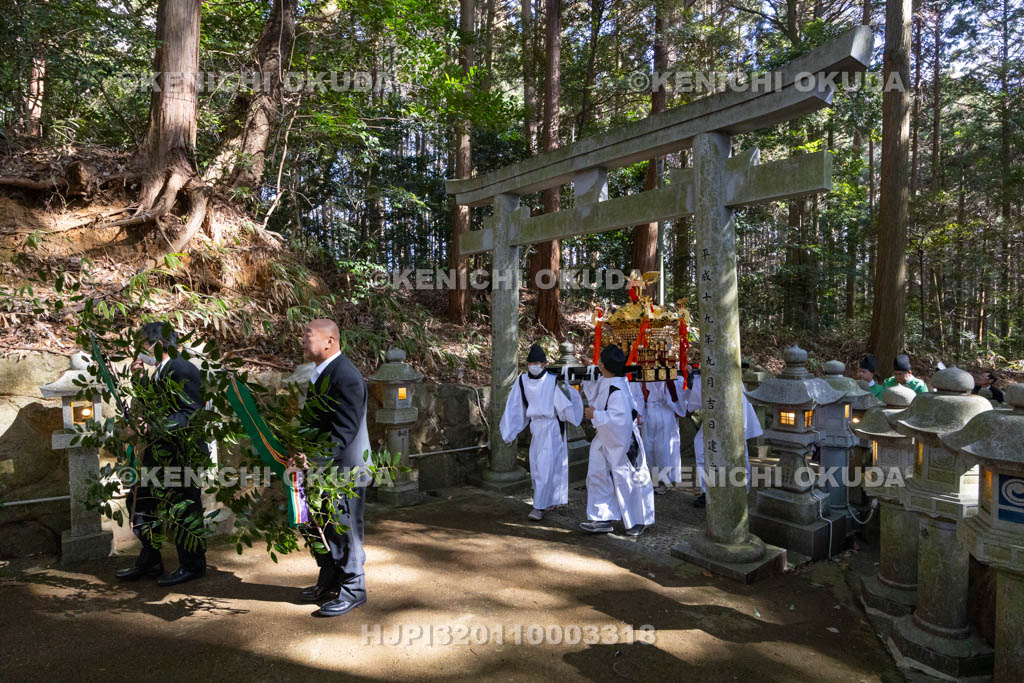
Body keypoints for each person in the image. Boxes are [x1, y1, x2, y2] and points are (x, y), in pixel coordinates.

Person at [116, 322, 208, 586]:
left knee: (184, 508)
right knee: (140, 501)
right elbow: (157, 404)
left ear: (157, 345)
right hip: (158, 451)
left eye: (144, 345)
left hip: (181, 452)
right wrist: (139, 379)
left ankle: (192, 565)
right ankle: (151, 558)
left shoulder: (183, 369)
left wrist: (152, 426)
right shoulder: (159, 371)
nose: (141, 350)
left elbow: (191, 414)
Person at [296, 319, 372, 617]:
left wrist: (312, 459)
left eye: (308, 335)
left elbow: (344, 431)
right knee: (321, 526)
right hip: (323, 467)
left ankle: (354, 589)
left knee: (345, 530)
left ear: (329, 341)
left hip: (345, 471)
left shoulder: (346, 376)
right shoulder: (323, 373)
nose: (302, 340)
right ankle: (329, 580)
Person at [499, 343, 583, 521]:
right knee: (538, 465)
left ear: (544, 363)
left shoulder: (552, 380)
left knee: (547, 465)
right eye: (531, 362)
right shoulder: (522, 381)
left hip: (552, 426)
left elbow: (564, 404)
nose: (533, 365)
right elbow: (515, 406)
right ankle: (551, 500)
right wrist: (509, 431)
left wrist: (570, 416)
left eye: (537, 362)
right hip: (536, 427)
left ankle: (539, 506)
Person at [579, 344, 655, 536]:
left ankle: (639, 520)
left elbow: (619, 419)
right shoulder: (612, 380)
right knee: (598, 475)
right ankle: (602, 517)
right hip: (606, 437)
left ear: (604, 366)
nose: (598, 364)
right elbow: (597, 392)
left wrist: (596, 414)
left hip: (623, 440)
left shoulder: (618, 389)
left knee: (629, 478)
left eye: (600, 361)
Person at [686, 370, 763, 509]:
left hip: (733, 420)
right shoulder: (703, 376)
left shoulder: (730, 376)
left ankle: (739, 490)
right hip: (713, 419)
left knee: (737, 454)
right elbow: (695, 402)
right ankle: (708, 491)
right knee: (703, 448)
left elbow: (692, 405)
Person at [629, 374, 687, 495]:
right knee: (648, 446)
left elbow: (679, 388)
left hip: (665, 410)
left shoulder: (670, 372)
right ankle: (652, 478)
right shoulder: (641, 372)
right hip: (649, 411)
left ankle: (664, 480)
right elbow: (637, 395)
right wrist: (639, 412)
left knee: (663, 447)